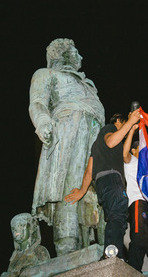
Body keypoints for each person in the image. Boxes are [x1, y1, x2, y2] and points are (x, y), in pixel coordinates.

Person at [29, 38, 105, 255]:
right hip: (68, 127)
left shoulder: (88, 85)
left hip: (95, 133)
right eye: (76, 52)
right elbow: (37, 103)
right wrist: (42, 122)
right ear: (62, 55)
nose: (80, 57)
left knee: (97, 188)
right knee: (69, 184)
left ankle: (94, 241)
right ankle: (67, 243)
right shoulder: (47, 74)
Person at [65, 110, 141, 260]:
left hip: (102, 184)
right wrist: (131, 122)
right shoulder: (110, 129)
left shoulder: (96, 145)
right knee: (118, 215)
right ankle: (112, 254)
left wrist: (82, 191)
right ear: (118, 121)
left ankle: (112, 253)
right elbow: (112, 141)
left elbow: (89, 170)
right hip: (112, 180)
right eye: (124, 123)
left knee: (115, 217)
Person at [122, 125, 148, 276]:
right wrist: (132, 130)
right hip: (138, 204)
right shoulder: (131, 161)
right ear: (134, 150)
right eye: (141, 147)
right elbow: (124, 154)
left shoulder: (147, 168)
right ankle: (132, 272)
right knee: (139, 240)